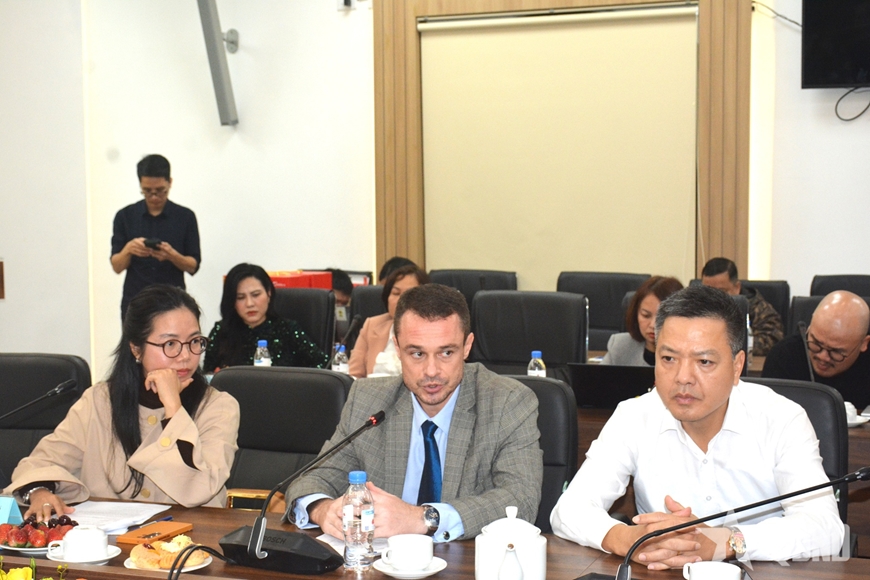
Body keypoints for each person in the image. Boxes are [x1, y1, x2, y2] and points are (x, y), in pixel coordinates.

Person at [551, 285, 844, 567]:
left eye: (704, 361)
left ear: (737, 366)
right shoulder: (634, 416)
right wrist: (630, 539)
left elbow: (826, 529)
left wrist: (725, 542)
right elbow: (569, 510)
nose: (683, 377)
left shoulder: (781, 419)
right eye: (668, 358)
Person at [284, 283, 543, 542]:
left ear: (467, 346)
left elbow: (521, 499)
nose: (431, 371)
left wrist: (421, 518)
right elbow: (314, 479)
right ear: (397, 348)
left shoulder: (507, 402)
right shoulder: (368, 400)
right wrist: (323, 510)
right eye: (417, 353)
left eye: (446, 352)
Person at [3, 285, 240, 519]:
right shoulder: (99, 401)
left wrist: (173, 408)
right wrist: (39, 492)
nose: (186, 355)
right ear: (136, 349)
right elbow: (43, 461)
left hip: (192, 538)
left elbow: (200, 488)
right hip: (108, 539)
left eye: (194, 341)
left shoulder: (219, 407)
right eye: (170, 344)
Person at [111, 154, 201, 319]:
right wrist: (129, 249)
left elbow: (193, 266)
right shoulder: (125, 216)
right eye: (147, 191)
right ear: (140, 184)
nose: (154, 197)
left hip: (173, 303)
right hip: (135, 303)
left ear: (170, 182)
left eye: (160, 191)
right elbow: (116, 266)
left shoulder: (185, 217)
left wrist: (171, 255)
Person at [203, 263, 329, 372]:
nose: (249, 304)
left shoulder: (288, 330)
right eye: (240, 297)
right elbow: (206, 376)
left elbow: (325, 366)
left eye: (256, 295)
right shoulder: (221, 331)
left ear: (269, 293)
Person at [763, 290, 870, 408]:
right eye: (816, 343)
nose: (823, 357)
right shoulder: (783, 357)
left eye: (836, 351)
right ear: (809, 327)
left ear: (864, 343)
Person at [348, 265, 431, 378]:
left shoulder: (435, 330)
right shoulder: (372, 325)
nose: (401, 300)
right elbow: (353, 375)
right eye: (396, 293)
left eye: (409, 295)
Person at [701, 257, 783, 356]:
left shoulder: (758, 308)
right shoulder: (696, 306)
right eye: (708, 291)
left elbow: (771, 342)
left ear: (737, 287)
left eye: (721, 291)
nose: (713, 297)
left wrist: (724, 342)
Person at [602, 276, 683, 366]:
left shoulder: (692, 352)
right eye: (646, 315)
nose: (653, 325)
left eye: (661, 317)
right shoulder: (620, 346)